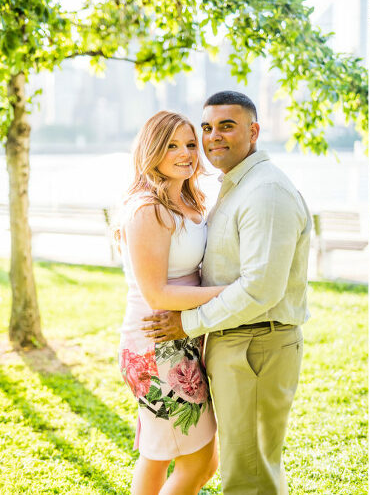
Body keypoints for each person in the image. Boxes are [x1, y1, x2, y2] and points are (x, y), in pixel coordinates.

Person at [143, 91, 312, 494]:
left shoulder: (265, 193)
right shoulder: (238, 185)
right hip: (237, 343)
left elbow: (260, 291)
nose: (212, 137)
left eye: (226, 126)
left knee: (249, 476)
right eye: (207, 128)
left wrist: (188, 323)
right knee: (246, 464)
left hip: (256, 344)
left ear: (253, 132)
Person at [117, 110, 221, 494]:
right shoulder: (148, 209)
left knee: (165, 455)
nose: (185, 153)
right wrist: (232, 293)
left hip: (182, 342)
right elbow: (157, 293)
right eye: (172, 145)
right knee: (197, 462)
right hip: (156, 347)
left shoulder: (189, 201)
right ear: (152, 150)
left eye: (191, 144)